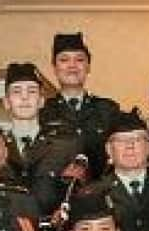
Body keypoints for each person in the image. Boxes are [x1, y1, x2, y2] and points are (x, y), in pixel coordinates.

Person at [1, 61, 87, 217]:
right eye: (16, 91)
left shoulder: (67, 145)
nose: (25, 97)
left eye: (32, 91)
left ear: (41, 101)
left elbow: (80, 198)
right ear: (6, 102)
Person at [38, 33, 120, 178]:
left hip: (101, 195)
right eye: (64, 60)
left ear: (88, 67)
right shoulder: (42, 111)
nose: (72, 66)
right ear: (55, 68)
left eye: (79, 59)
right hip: (54, 196)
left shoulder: (108, 110)